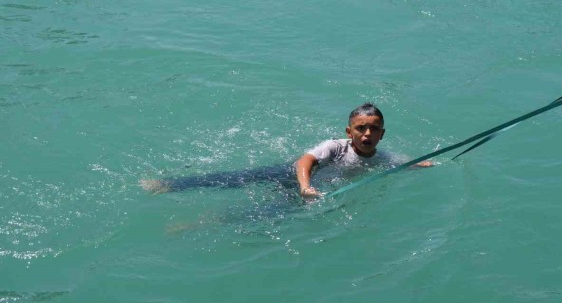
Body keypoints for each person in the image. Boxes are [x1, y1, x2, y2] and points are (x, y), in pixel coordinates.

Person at [141, 102, 431, 198]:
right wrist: (304, 185)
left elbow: (405, 162)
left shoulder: (381, 157)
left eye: (374, 128)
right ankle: (169, 185)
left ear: (382, 134)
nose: (367, 133)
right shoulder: (335, 146)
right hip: (294, 175)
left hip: (312, 189)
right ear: (349, 132)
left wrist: (423, 164)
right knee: (236, 178)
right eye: (361, 128)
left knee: (270, 213)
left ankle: (201, 224)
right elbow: (305, 160)